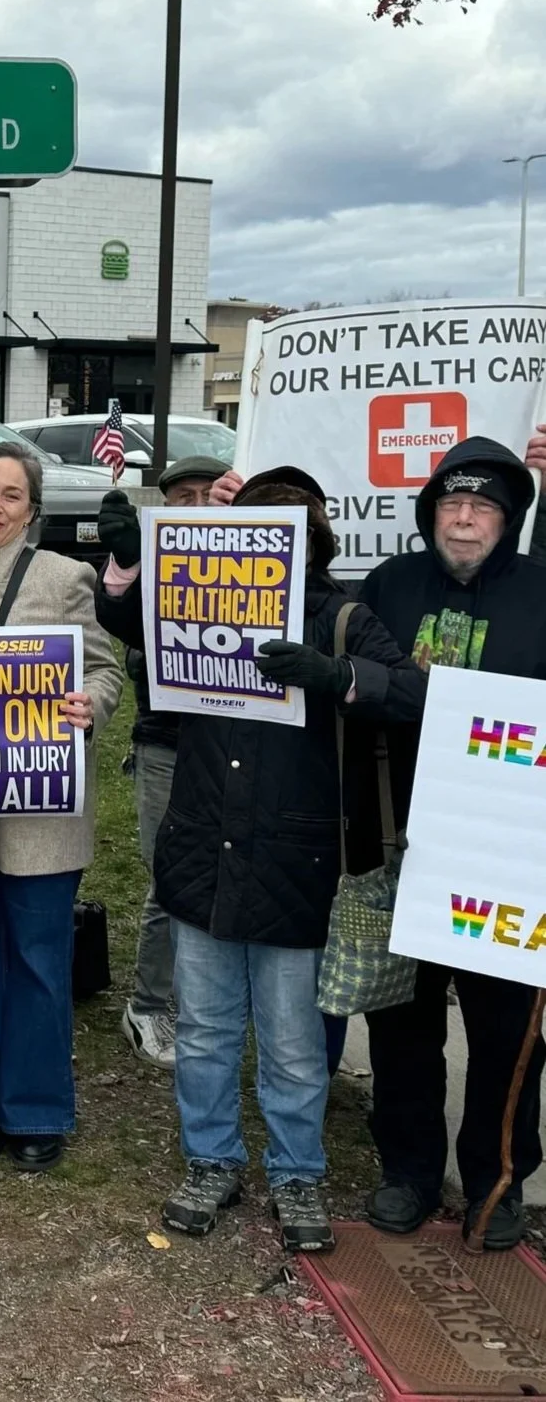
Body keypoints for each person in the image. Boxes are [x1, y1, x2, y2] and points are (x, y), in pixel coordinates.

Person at [96, 466, 427, 1252]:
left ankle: (296, 1171)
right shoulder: (198, 598)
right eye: (254, 523)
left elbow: (415, 693)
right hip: (204, 850)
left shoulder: (340, 615)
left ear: (311, 539)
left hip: (297, 863)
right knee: (206, 1030)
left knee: (291, 1041)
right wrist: (127, 560)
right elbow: (126, 618)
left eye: (289, 525)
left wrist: (340, 676)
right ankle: (211, 1160)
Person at [338, 436, 546, 1249]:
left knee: (505, 1030)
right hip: (400, 844)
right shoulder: (389, 586)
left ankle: (501, 1178)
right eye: (451, 505)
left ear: (509, 519)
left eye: (483, 505)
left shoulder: (540, 594)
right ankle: (408, 1172)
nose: (464, 519)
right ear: (430, 515)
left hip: (507, 856)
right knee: (403, 1019)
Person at [0, 441, 123, 1173]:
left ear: (32, 511)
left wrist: (89, 707)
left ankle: (38, 1109)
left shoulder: (65, 576)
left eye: (12, 496)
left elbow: (104, 670)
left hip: (41, 805)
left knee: (40, 963)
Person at [119, 454, 231, 1069]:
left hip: (232, 749)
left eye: (206, 494)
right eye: (181, 495)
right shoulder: (153, 569)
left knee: (219, 875)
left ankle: (199, 1004)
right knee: (169, 877)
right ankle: (148, 1004)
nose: (194, 505)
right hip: (165, 745)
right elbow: (120, 628)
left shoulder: (252, 567)